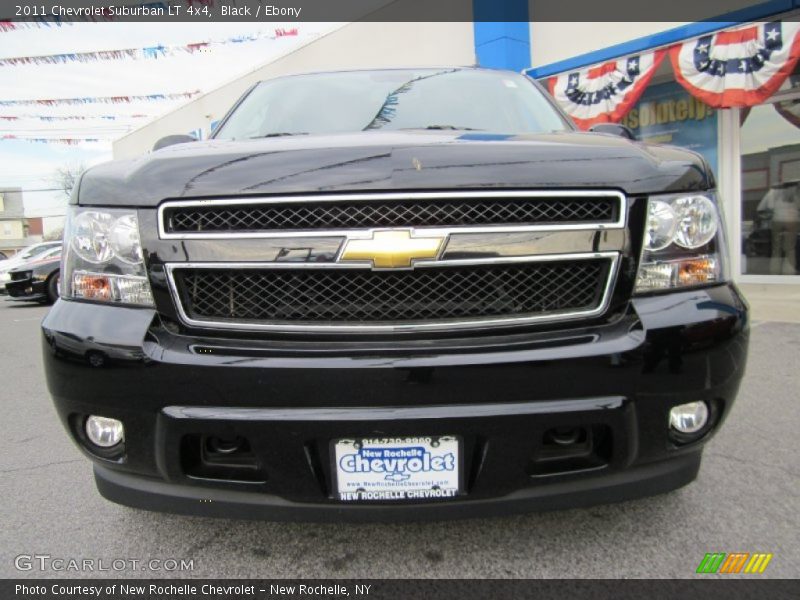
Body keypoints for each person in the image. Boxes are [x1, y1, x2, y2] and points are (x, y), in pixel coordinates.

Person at [757, 181, 799, 274]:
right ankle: (789, 274)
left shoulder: (774, 191)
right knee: (790, 249)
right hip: (793, 220)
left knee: (776, 249)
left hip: (777, 220)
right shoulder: (797, 191)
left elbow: (764, 207)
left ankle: (775, 273)